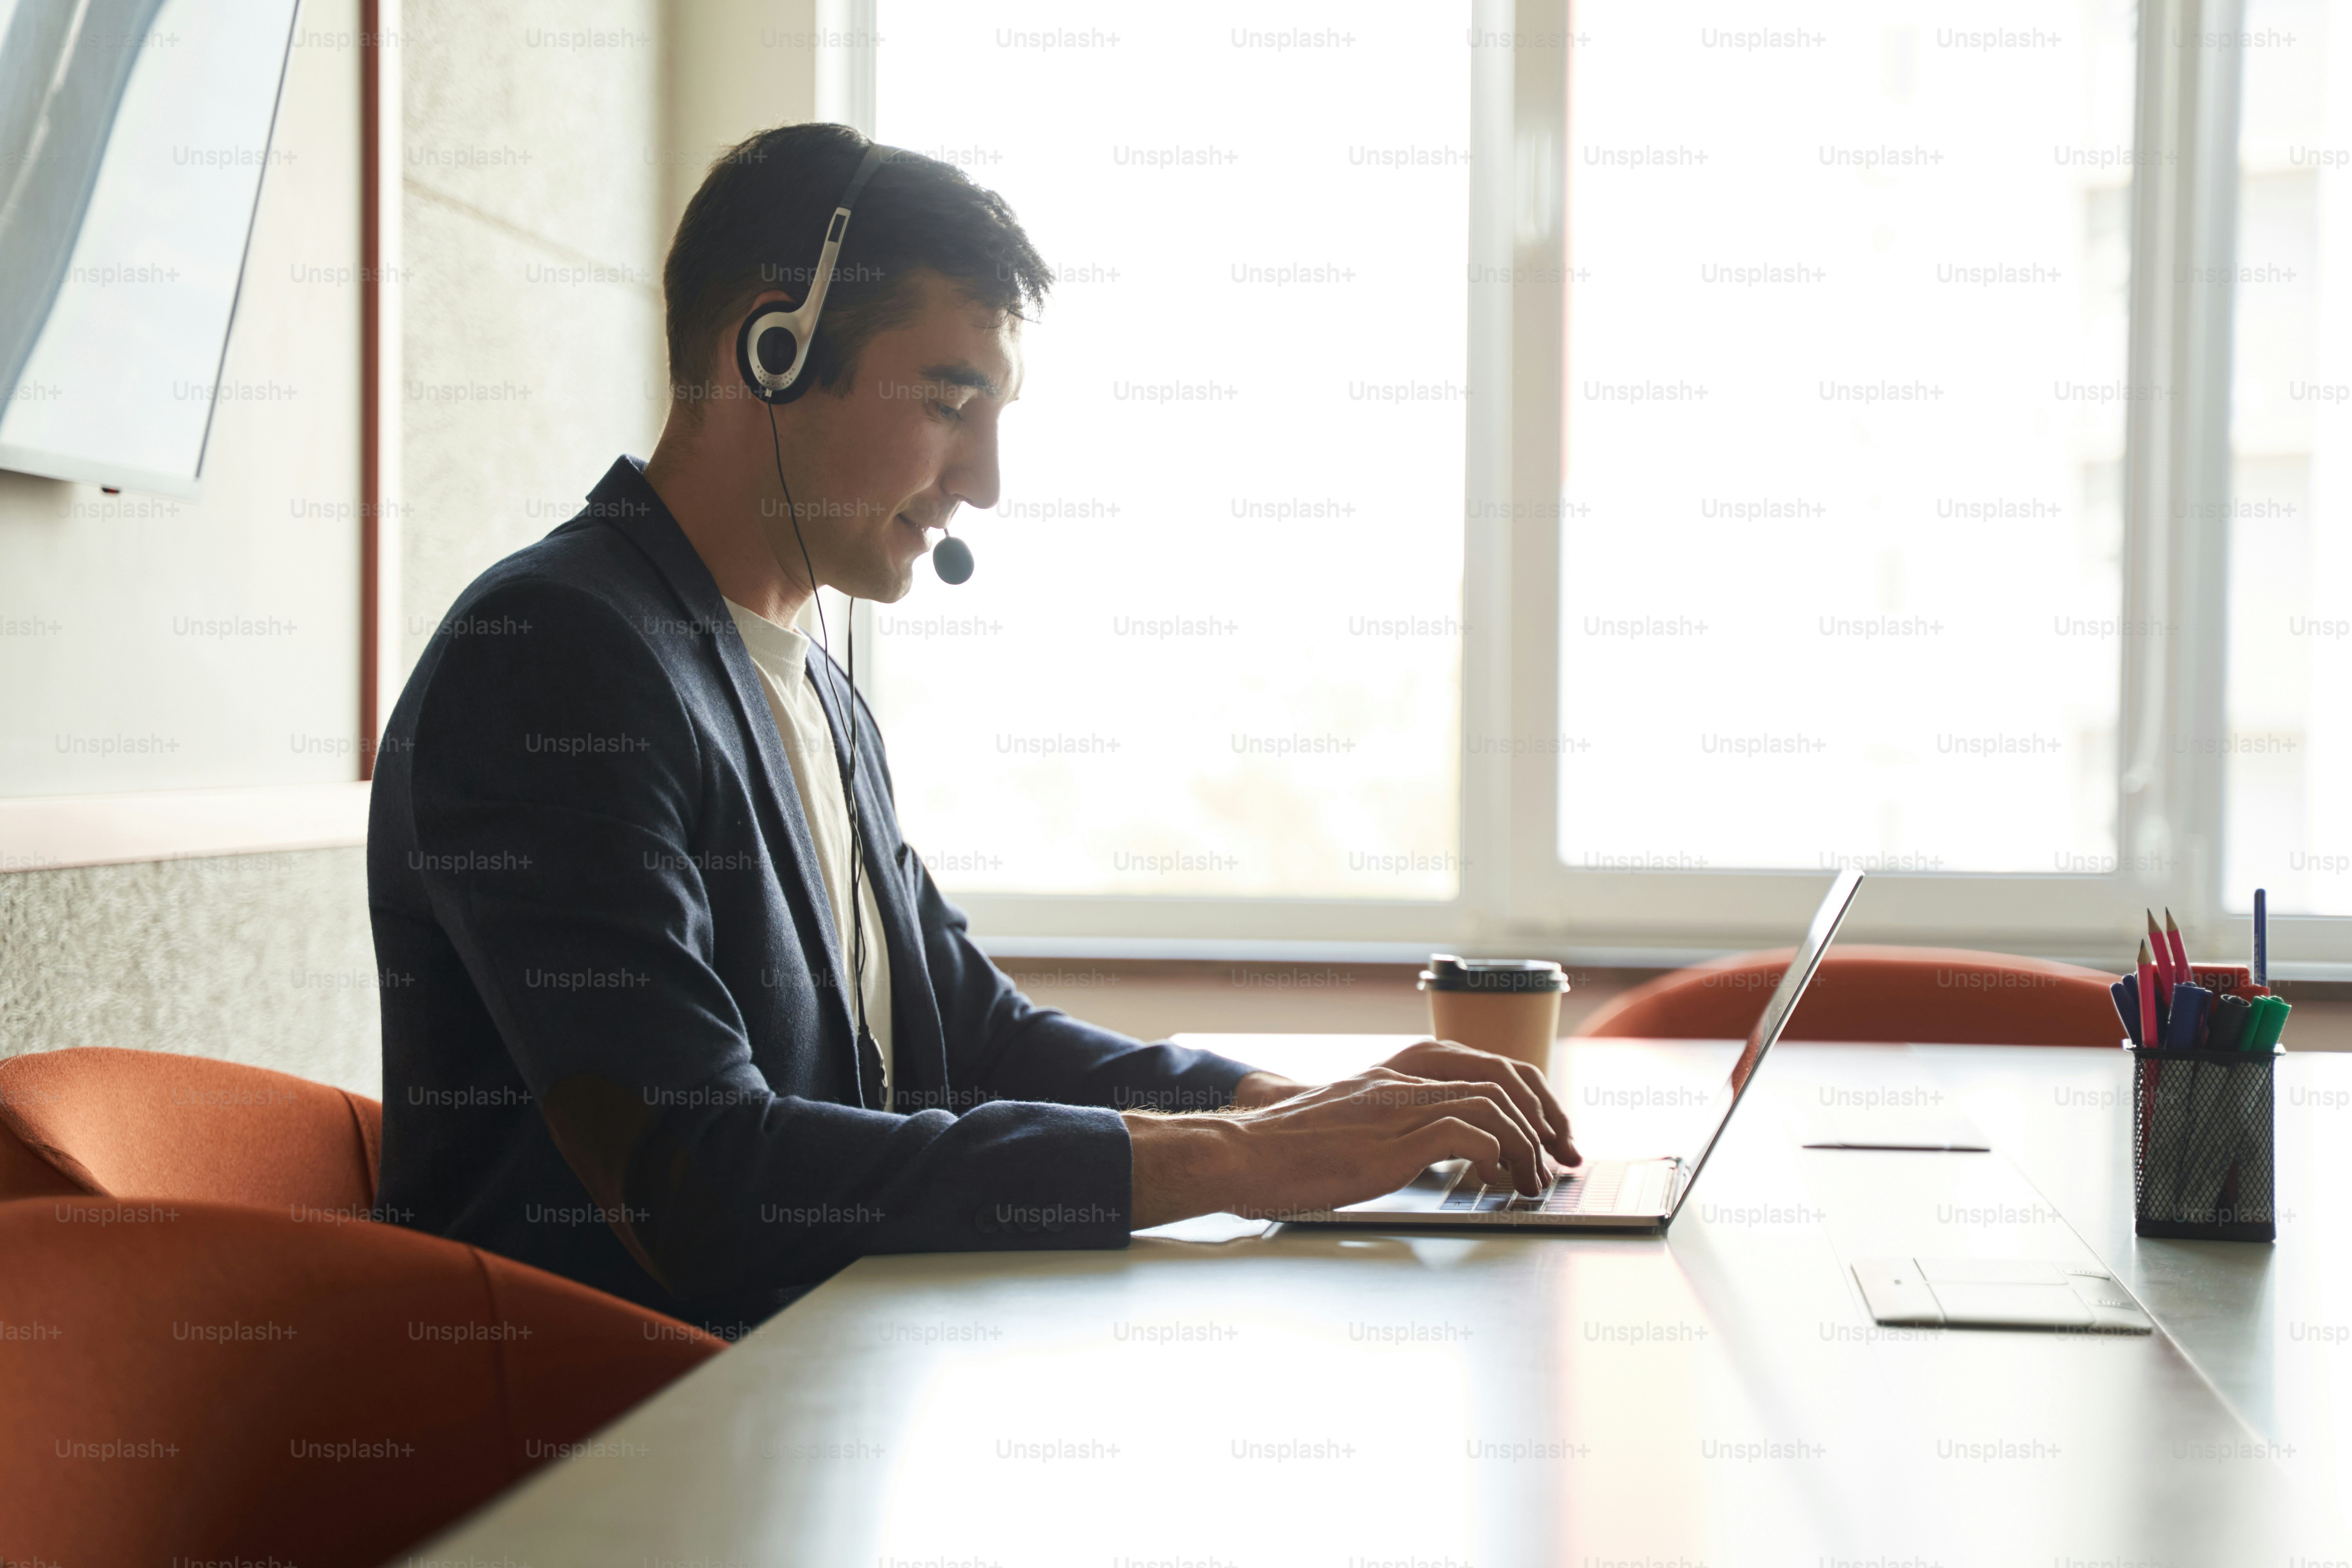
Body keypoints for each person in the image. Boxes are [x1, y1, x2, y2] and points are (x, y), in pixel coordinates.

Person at [368, 122, 1576, 1337]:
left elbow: (972, 1036)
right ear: (772, 352)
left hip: (811, 1370)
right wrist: (1233, 1161)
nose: (985, 480)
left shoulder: (811, 681)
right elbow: (699, 1176)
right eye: (953, 401)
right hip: (613, 1436)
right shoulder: (555, 659)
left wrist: (1299, 1110)